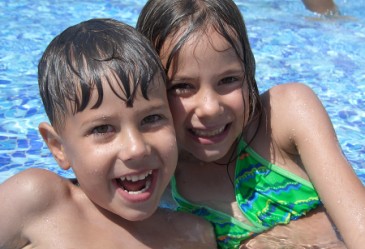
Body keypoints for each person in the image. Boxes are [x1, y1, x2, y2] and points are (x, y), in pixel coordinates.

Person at [136, 0, 365, 248]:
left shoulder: (283, 118)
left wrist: (290, 237)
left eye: (229, 80)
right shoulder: (153, 183)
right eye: (182, 86)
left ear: (250, 73)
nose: (210, 108)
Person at [0, 18, 216, 249]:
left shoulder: (193, 235)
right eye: (102, 129)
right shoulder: (36, 199)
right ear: (58, 147)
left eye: (151, 119)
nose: (137, 148)